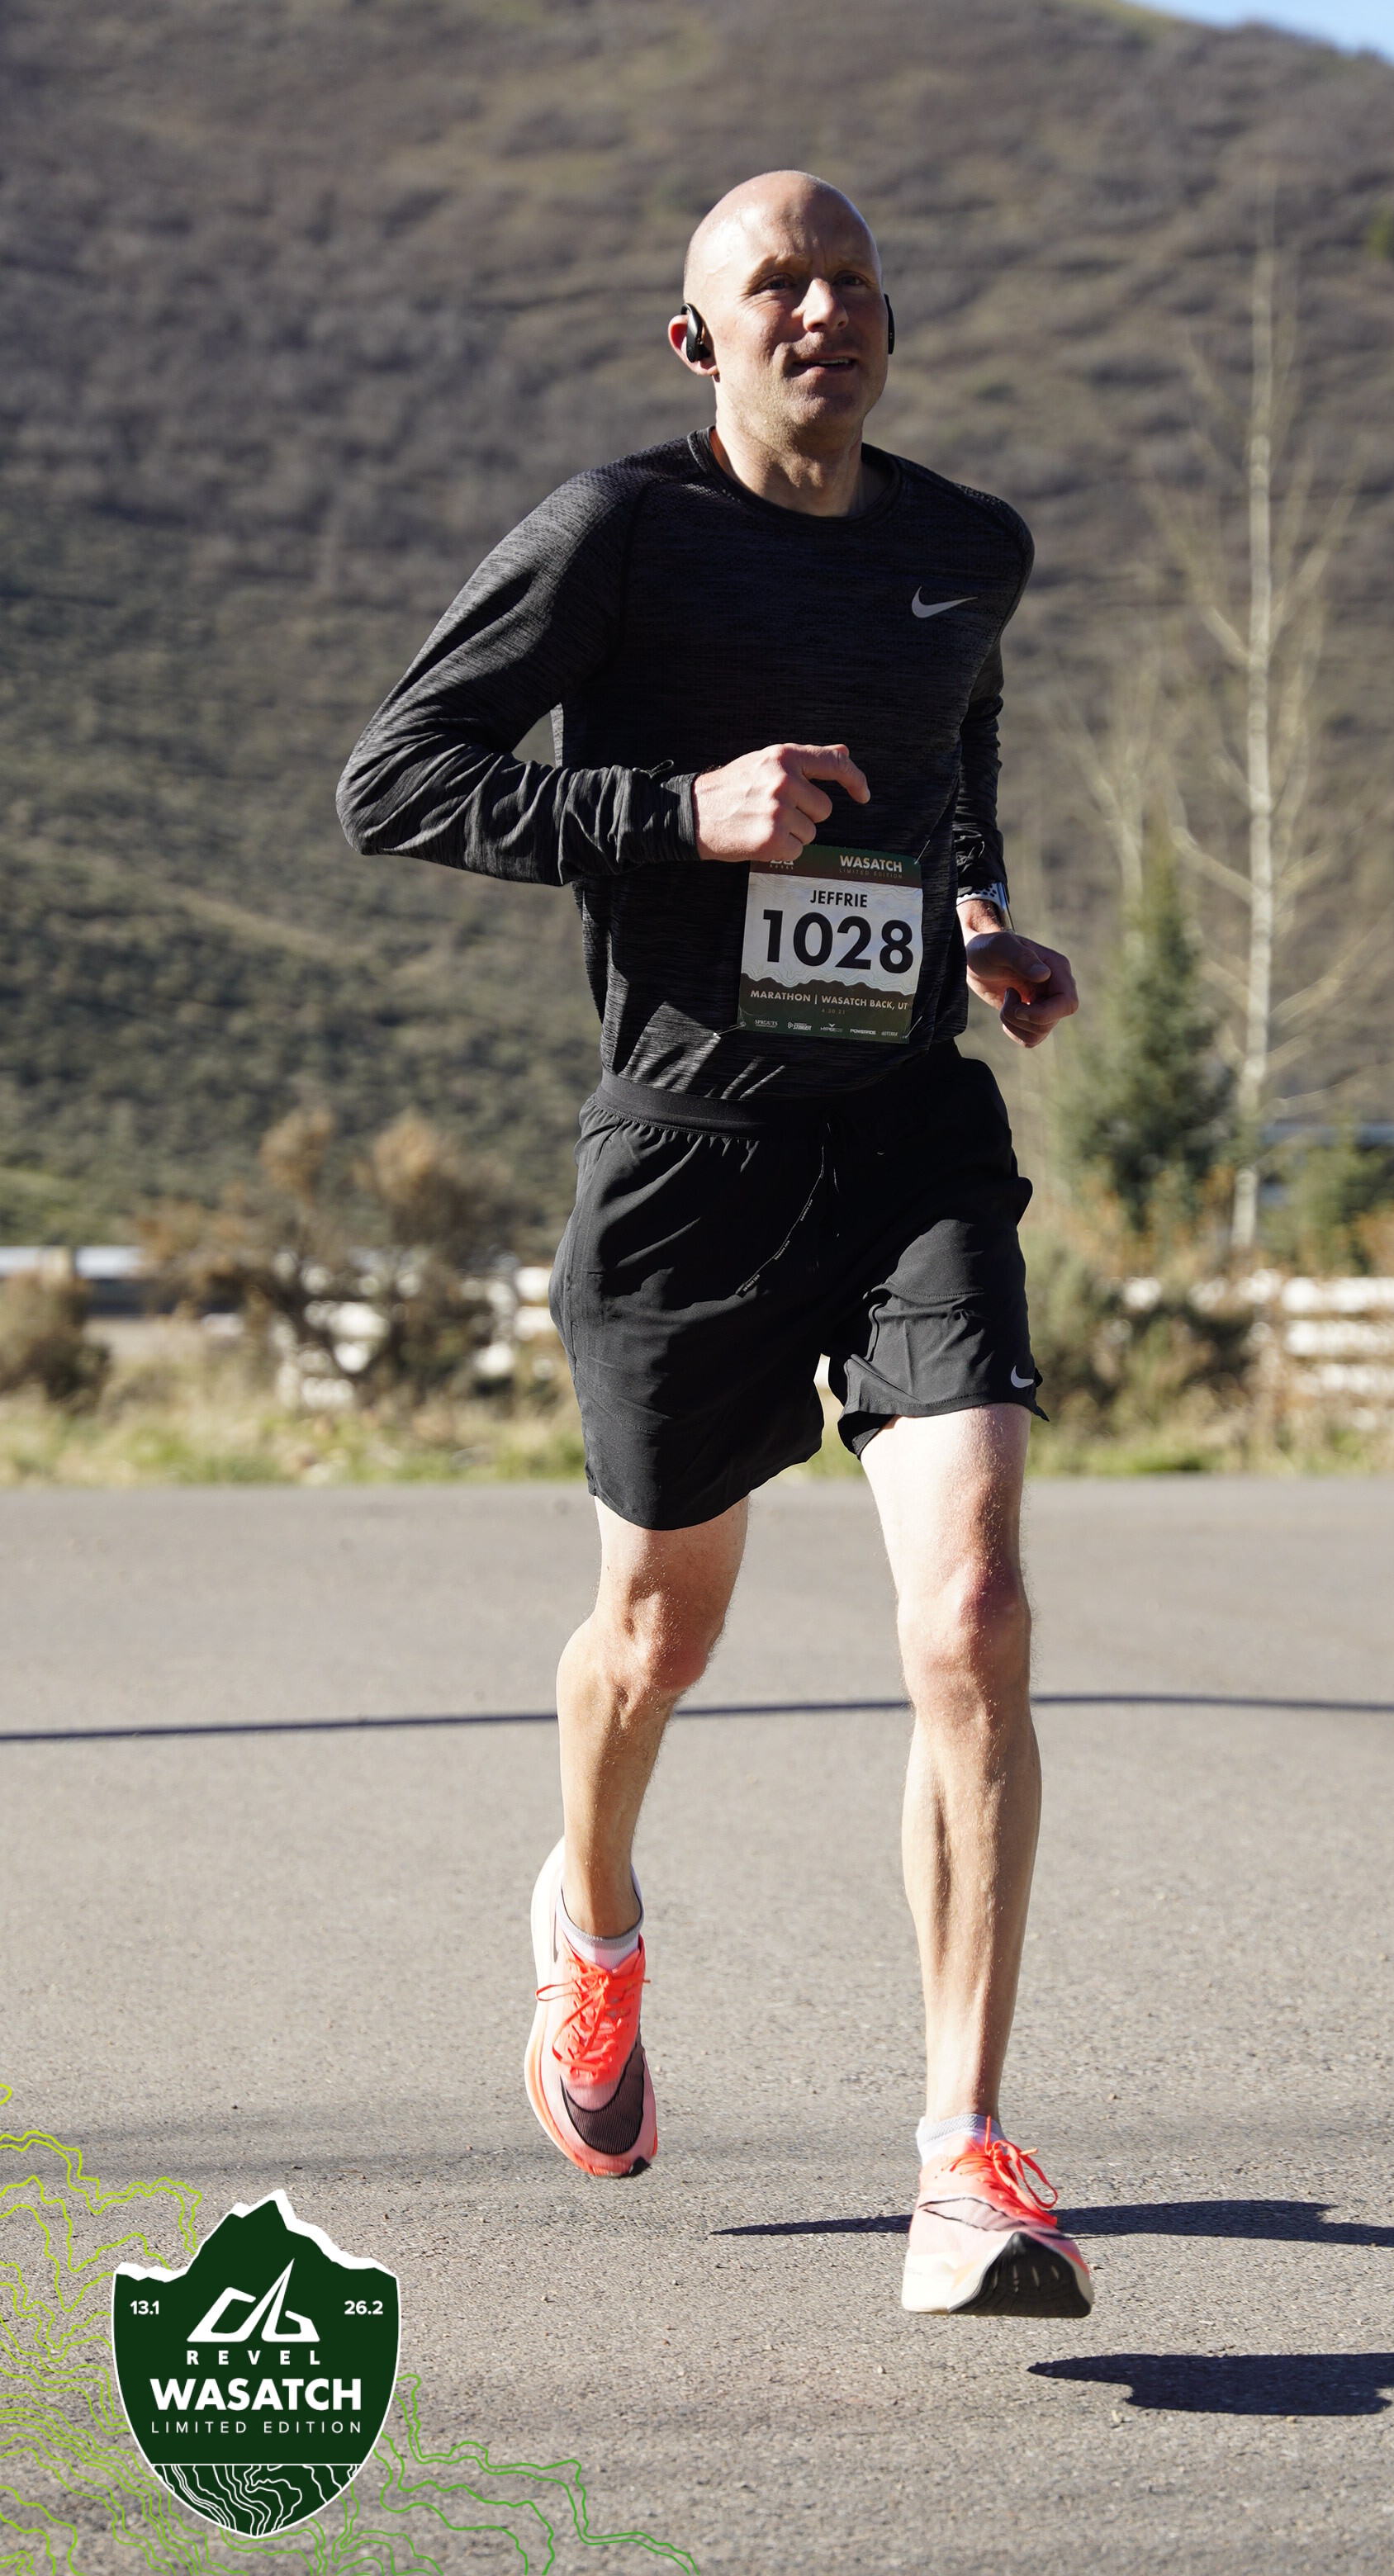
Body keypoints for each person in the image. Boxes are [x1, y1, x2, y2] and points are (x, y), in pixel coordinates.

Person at [337, 170, 1090, 2320]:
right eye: (779, 283)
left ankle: (965, 2155)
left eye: (853, 280)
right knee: (656, 1638)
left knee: (974, 1612)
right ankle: (588, 1924)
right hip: (689, 1153)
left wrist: (971, 916)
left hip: (909, 1135)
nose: (822, 309)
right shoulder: (620, 536)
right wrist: (679, 810)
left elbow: (953, 757)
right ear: (701, 338)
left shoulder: (968, 551)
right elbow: (396, 779)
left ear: (890, 323)